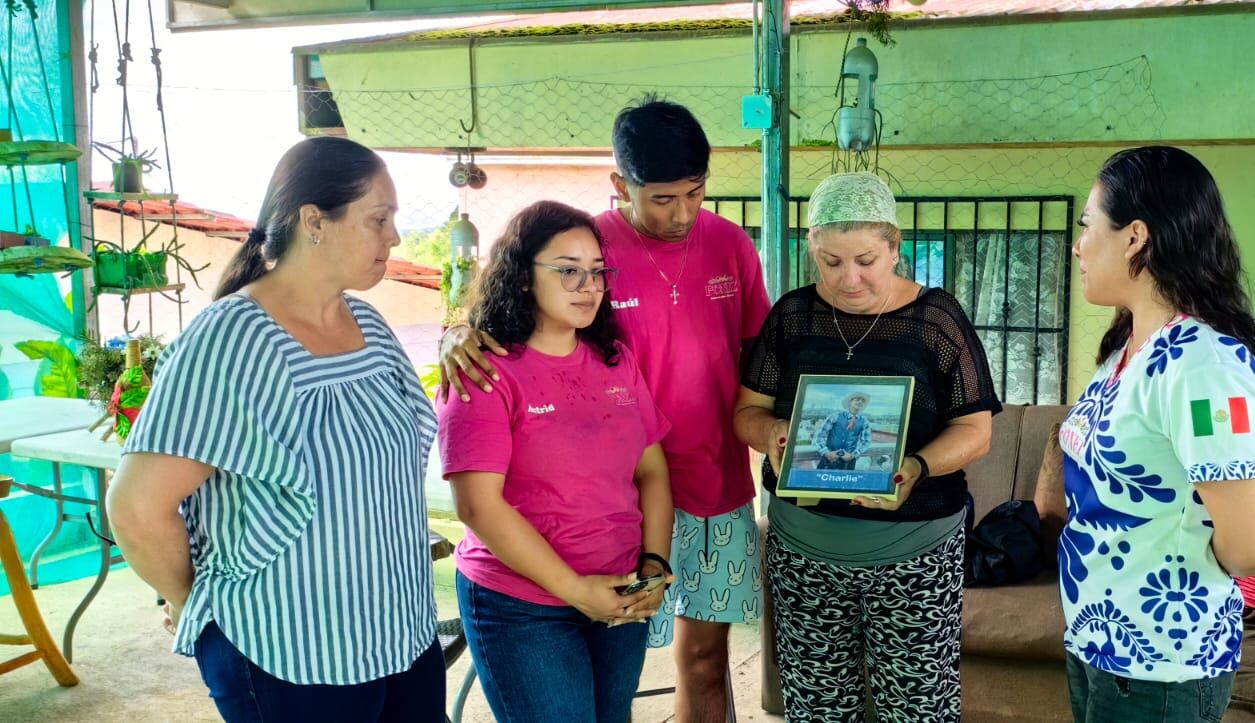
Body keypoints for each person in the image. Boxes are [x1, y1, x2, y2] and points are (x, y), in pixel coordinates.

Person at [438, 96, 769, 721]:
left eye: (695, 193)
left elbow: (762, 357)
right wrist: (458, 332)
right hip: (608, 502)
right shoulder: (586, 246)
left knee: (704, 662)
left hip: (710, 482)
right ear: (621, 185)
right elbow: (513, 315)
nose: (682, 214)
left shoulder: (729, 245)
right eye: (662, 199)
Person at [106, 137, 444, 721]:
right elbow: (136, 508)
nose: (394, 237)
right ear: (314, 221)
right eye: (379, 219)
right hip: (288, 648)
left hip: (399, 633)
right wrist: (199, 605)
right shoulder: (232, 339)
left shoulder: (368, 323)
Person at [733, 171, 1001, 722]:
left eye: (865, 260)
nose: (848, 279)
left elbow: (976, 431)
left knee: (918, 709)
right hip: (805, 554)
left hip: (915, 555)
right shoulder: (792, 317)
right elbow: (746, 413)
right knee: (818, 706)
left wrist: (917, 466)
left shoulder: (936, 321)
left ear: (896, 249)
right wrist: (773, 436)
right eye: (830, 262)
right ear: (810, 250)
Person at [1036, 146, 1255, 723]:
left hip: (1161, 661)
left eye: (1087, 226)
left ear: (1135, 237)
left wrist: (1177, 557)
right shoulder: (1130, 347)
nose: (1077, 245)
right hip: (1103, 642)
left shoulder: (1205, 367)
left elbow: (1254, 547)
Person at [437, 201, 675, 723]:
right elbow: (478, 506)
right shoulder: (485, 370)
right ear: (522, 275)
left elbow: (652, 469)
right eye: (568, 271)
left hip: (619, 590)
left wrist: (654, 564)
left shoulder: (614, 358)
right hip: (523, 603)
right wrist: (576, 592)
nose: (589, 286)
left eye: (597, 272)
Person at [813, 392, 873, 470]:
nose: (860, 402)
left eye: (863, 401)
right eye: (857, 399)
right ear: (850, 402)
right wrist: (827, 452)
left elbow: (866, 442)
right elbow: (820, 435)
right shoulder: (835, 416)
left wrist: (853, 455)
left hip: (848, 462)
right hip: (829, 460)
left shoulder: (864, 422)